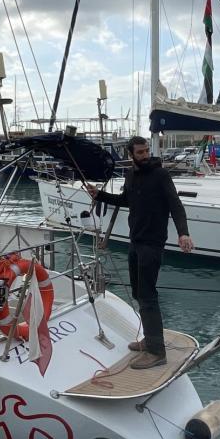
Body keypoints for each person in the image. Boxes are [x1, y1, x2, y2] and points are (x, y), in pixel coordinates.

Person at [86, 136, 193, 368]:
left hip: (152, 245)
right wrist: (99, 195)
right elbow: (126, 200)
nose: (145, 156)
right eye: (140, 152)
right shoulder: (131, 175)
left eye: (146, 151)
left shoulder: (161, 175)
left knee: (147, 296)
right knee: (138, 293)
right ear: (130, 154)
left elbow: (176, 205)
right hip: (135, 243)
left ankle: (157, 352)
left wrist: (183, 233)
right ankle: (150, 339)